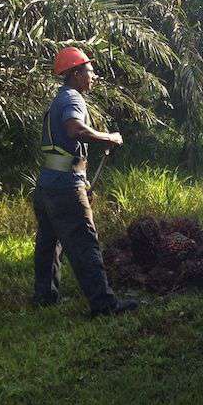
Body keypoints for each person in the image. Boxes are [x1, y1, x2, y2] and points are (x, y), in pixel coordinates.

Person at [32, 47, 137, 317]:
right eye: (90, 71)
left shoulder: (60, 98)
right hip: (65, 187)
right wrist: (109, 138)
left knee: (48, 243)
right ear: (76, 74)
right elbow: (75, 129)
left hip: (47, 185)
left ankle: (45, 296)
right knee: (84, 242)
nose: (94, 77)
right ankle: (104, 305)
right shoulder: (73, 99)